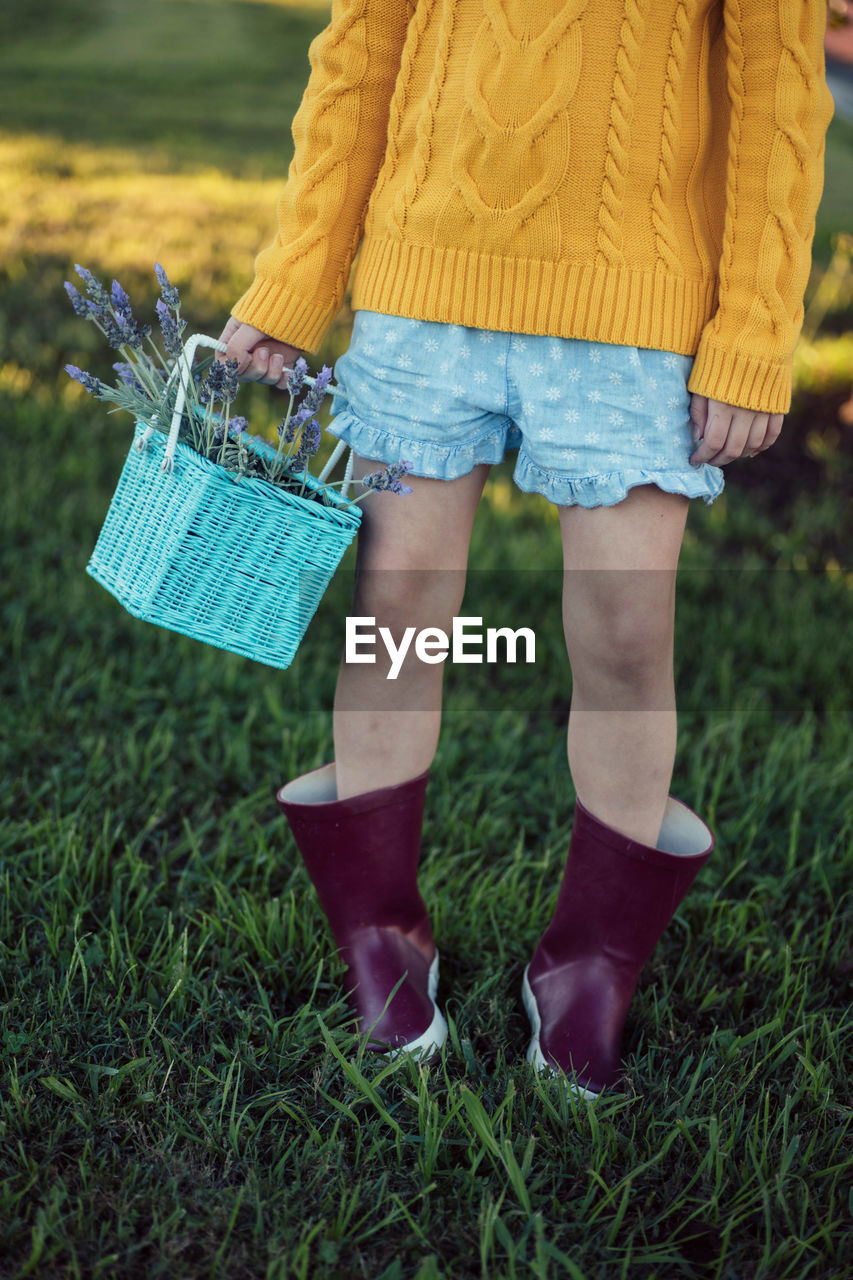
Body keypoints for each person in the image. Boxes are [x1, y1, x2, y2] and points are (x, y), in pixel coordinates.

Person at [218, 0, 834, 1095]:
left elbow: (779, 95)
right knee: (397, 612)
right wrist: (300, 275)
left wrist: (750, 329)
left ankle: (587, 963)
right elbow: (361, 51)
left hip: (636, 319)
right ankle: (383, 938)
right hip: (419, 294)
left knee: (625, 634)